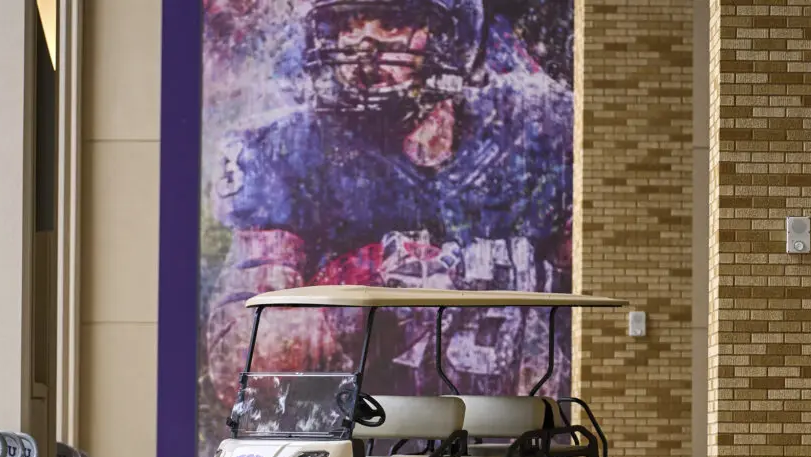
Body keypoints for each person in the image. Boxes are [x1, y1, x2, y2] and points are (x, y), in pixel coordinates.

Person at [203, 0, 573, 418]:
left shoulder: (537, 128)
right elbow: (243, 360)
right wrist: (364, 291)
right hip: (374, 435)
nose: (365, 43)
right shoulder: (288, 150)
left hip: (514, 430)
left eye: (393, 22)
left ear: (449, 34)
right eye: (348, 23)